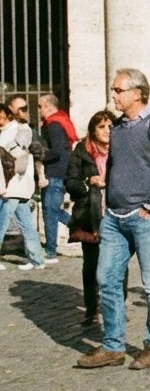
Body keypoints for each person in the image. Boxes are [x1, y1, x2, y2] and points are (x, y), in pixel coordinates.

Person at [74, 69, 150, 370]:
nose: (114, 95)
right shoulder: (117, 129)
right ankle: (113, 347)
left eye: (118, 90)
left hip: (144, 218)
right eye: (113, 90)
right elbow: (117, 166)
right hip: (114, 218)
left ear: (137, 93)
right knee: (106, 279)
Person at [65, 111, 119, 326]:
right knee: (91, 265)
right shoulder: (82, 150)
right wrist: (89, 182)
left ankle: (115, 308)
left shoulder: (121, 149)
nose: (107, 131)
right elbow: (70, 181)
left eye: (110, 126)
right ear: (92, 130)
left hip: (116, 213)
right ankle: (91, 308)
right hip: (91, 215)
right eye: (102, 127)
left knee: (118, 264)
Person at [1, 100, 45, 271]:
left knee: (1, 222)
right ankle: (37, 260)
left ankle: (37, 259)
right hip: (20, 185)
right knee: (26, 224)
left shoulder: (18, 131)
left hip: (12, 184)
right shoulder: (23, 130)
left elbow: (13, 153)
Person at [37, 93, 77, 262]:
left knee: (50, 212)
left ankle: (51, 250)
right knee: (50, 210)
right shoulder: (61, 121)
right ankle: (77, 226)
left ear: (48, 106)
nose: (38, 110)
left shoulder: (53, 125)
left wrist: (39, 155)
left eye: (40, 106)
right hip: (59, 172)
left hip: (55, 173)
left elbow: (58, 150)